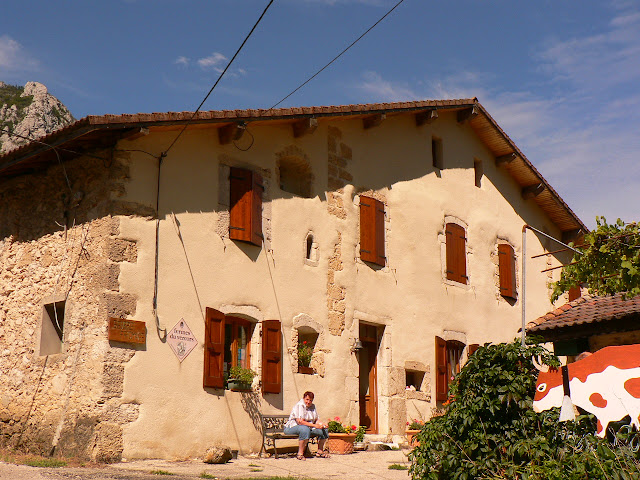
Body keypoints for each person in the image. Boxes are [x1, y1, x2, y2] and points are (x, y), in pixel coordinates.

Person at [284, 391, 329, 460]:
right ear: (304, 398)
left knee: (324, 429)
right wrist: (315, 426)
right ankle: (300, 453)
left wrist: (322, 424)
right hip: (292, 427)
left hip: (308, 427)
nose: (308, 402)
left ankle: (320, 451)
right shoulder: (299, 405)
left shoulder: (313, 406)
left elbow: (316, 419)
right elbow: (300, 422)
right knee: (304, 429)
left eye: (310, 400)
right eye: (307, 399)